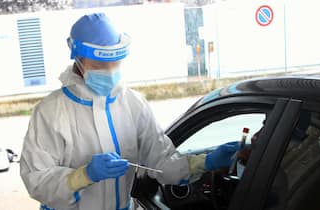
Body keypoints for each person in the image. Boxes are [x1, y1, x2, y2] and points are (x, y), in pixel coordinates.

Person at [20, 13, 239, 210]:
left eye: (114, 63)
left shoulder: (133, 104)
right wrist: (83, 175)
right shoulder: (50, 112)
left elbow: (162, 162)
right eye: (99, 64)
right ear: (78, 58)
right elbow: (36, 179)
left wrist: (205, 162)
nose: (109, 71)